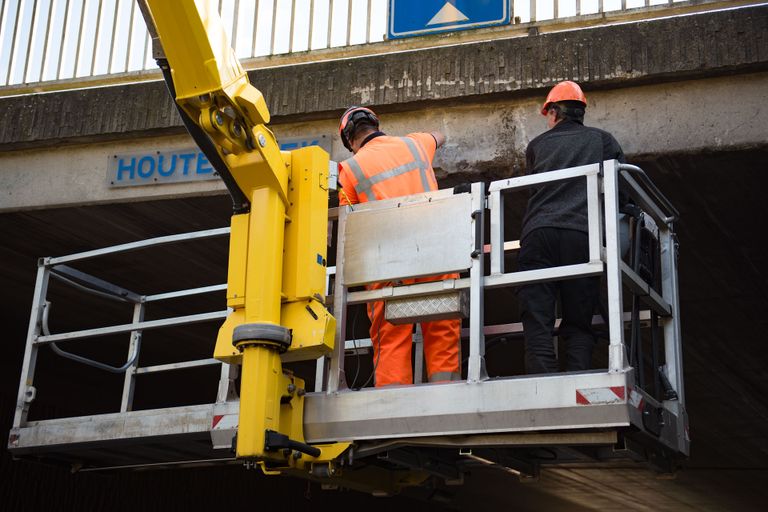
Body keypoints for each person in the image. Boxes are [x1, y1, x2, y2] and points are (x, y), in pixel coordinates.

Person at [337, 106, 461, 387]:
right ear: (375, 124)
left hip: (389, 266)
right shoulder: (414, 144)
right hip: (438, 255)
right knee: (442, 328)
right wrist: (432, 139)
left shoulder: (350, 169)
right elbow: (439, 136)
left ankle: (394, 405)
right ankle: (448, 395)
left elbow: (350, 228)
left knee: (391, 336)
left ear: (349, 141)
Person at [519, 81, 625, 374]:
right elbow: (622, 193)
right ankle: (576, 378)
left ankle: (542, 382)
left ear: (553, 112)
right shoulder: (602, 140)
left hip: (539, 234)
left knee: (537, 316)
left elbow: (534, 189)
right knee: (578, 320)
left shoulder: (536, 146)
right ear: (581, 112)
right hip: (582, 236)